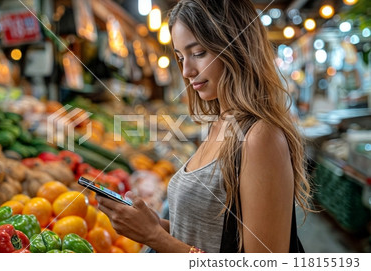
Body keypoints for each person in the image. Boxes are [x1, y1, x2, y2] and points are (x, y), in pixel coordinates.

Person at [96, 0, 311, 253]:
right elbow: (210, 237)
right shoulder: (221, 124)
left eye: (198, 53)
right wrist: (157, 226)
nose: (186, 70)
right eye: (180, 57)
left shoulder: (260, 136)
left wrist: (155, 237)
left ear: (237, 48)